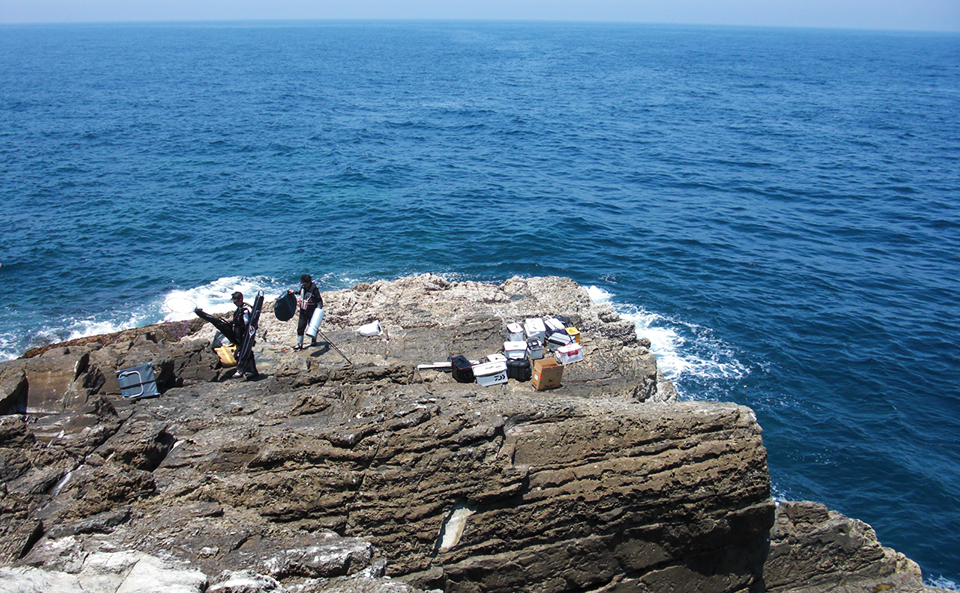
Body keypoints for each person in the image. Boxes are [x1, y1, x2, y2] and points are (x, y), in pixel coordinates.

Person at [289, 274, 323, 350]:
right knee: (300, 327)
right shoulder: (303, 288)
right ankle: (300, 344)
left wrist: (318, 311)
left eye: (305, 284)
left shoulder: (314, 289)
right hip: (303, 311)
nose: (304, 285)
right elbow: (300, 292)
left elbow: (319, 301)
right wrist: (293, 292)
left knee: (313, 327)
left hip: (312, 311)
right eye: (302, 284)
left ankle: (313, 341)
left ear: (309, 282)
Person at [230, 291, 259, 380]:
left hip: (245, 336)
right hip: (240, 335)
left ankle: (242, 370)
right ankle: (249, 371)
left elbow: (247, 324)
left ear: (241, 299)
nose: (234, 302)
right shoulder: (239, 309)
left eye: (236, 300)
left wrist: (246, 336)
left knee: (241, 353)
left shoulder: (245, 310)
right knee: (246, 353)